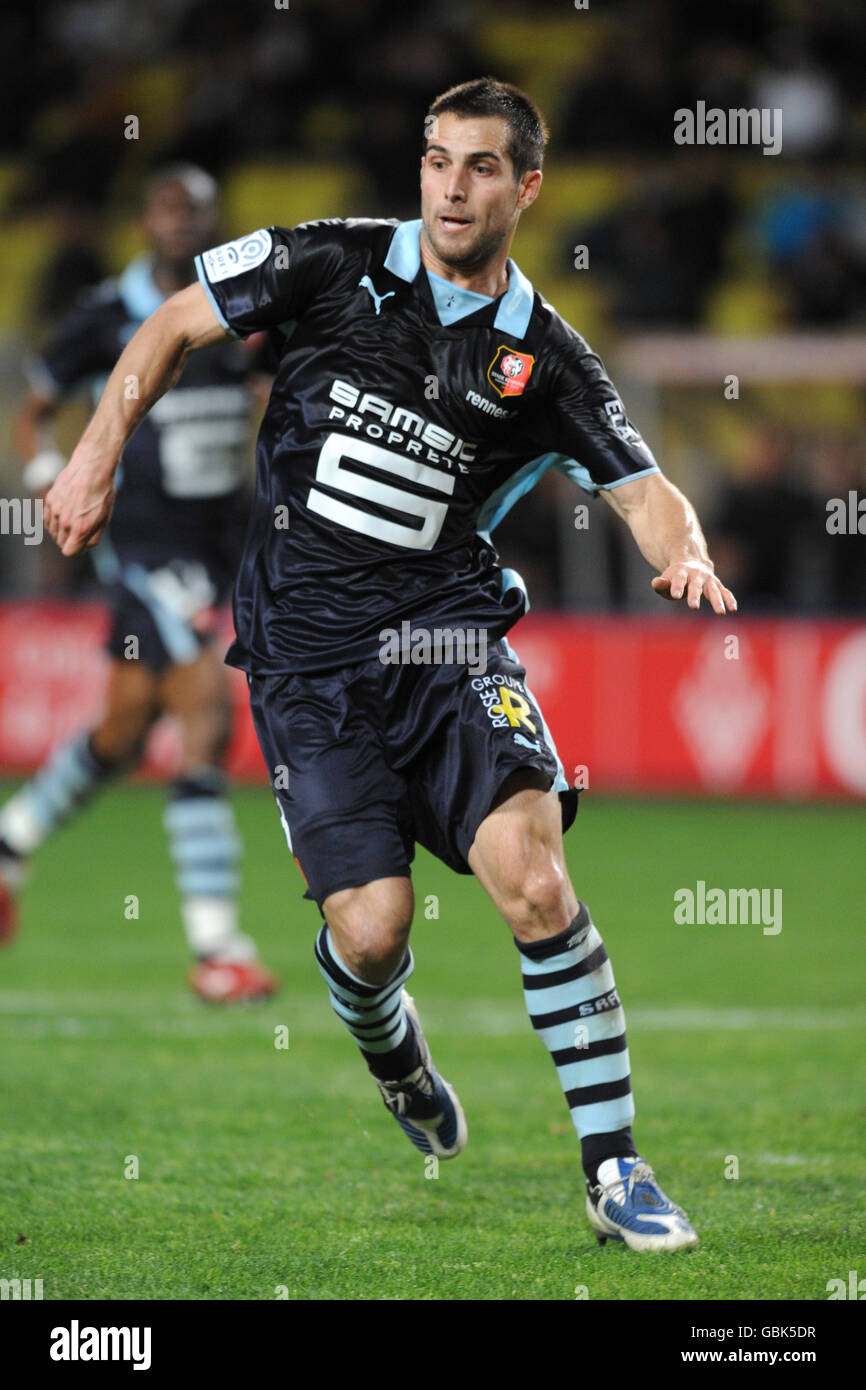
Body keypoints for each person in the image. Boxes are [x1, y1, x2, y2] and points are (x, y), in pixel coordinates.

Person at [43, 80, 737, 1251]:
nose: (448, 186)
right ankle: (390, 1048)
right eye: (433, 160)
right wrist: (92, 456)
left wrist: (686, 556)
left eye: (476, 167)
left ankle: (616, 1169)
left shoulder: (544, 357)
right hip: (307, 660)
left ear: (525, 190)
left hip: (443, 639)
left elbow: (641, 487)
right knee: (370, 933)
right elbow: (168, 324)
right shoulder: (330, 261)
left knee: (533, 875)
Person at [0, 165, 278, 1004]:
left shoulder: (246, 308)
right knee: (206, 712)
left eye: (195, 209)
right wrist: (55, 475)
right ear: (144, 220)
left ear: (213, 220)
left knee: (123, 731)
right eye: (166, 207)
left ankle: (10, 840)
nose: (181, 222)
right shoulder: (104, 317)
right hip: (147, 549)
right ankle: (215, 946)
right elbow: (33, 408)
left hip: (225, 547)